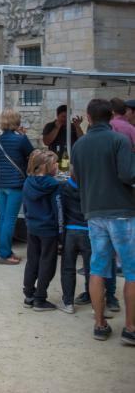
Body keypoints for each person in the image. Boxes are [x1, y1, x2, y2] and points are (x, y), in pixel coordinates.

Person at [70, 98, 135, 344]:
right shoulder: (119, 140)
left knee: (97, 268)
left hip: (93, 211)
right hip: (121, 211)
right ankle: (130, 327)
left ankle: (99, 323)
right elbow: (128, 175)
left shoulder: (80, 144)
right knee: (131, 270)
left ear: (88, 117)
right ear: (111, 116)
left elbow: (76, 175)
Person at [58, 176, 118, 314]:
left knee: (67, 268)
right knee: (92, 270)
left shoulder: (64, 187)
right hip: (89, 231)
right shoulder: (92, 187)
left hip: (70, 232)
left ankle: (68, 303)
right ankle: (95, 305)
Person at [0, 108, 35, 265]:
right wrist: (24, 136)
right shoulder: (21, 139)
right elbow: (33, 154)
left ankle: (5, 251)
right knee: (10, 220)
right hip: (16, 183)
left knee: (3, 218)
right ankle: (4, 254)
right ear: (17, 121)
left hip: (1, 183)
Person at [21, 149, 61, 312]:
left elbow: (25, 205)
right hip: (48, 229)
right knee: (47, 262)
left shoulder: (28, 182)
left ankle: (29, 294)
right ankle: (40, 297)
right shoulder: (54, 185)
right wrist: (60, 231)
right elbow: (58, 209)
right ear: (47, 166)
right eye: (55, 164)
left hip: (32, 227)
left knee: (32, 260)